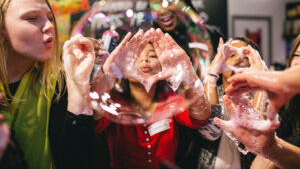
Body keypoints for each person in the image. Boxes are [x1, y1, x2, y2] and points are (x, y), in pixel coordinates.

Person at [0, 0, 94, 169]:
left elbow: (75, 162)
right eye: (32, 18)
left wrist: (78, 90)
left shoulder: (56, 84)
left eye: (50, 18)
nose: (49, 26)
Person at [90, 28, 211, 168]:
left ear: (162, 65)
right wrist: (108, 74)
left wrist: (188, 74)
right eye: (136, 57)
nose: (145, 59)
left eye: (152, 56)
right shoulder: (112, 103)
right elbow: (91, 116)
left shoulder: (171, 102)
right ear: (121, 65)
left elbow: (201, 116)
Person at [187, 37, 265, 169]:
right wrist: (211, 75)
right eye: (232, 54)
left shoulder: (261, 97)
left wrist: (262, 81)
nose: (238, 59)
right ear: (220, 61)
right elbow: (210, 133)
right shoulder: (210, 93)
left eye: (245, 56)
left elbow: (254, 138)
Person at [228, 35, 300, 169]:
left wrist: (272, 149)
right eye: (296, 55)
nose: (297, 63)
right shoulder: (288, 102)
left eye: (245, 58)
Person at [147, 0, 226, 78]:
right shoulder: (148, 43)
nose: (161, 11)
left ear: (182, 1)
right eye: (155, 5)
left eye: (167, 2)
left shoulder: (211, 36)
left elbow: (222, 82)